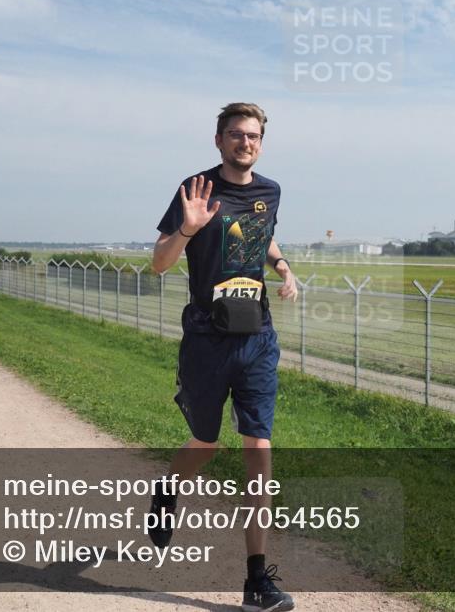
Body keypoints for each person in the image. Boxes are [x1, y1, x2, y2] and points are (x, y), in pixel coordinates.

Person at [150, 103, 297, 612]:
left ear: (261, 142)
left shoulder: (270, 191)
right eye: (236, 134)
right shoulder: (195, 189)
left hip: (256, 337)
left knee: (259, 449)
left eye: (253, 135)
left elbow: (263, 233)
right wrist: (188, 229)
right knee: (206, 445)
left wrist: (282, 266)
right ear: (218, 140)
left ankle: (257, 580)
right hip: (206, 341)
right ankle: (170, 487)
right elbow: (158, 264)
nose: (245, 142)